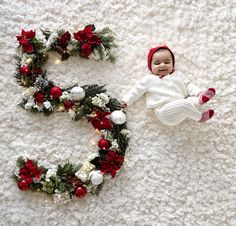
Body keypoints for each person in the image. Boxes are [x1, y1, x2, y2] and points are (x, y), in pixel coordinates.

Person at [121, 45, 216, 126]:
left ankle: (200, 99)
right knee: (185, 104)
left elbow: (189, 85)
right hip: (164, 112)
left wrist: (198, 92)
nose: (162, 65)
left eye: (167, 62)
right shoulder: (149, 79)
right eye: (157, 63)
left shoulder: (178, 75)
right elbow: (136, 91)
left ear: (172, 64)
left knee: (189, 101)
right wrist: (126, 101)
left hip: (180, 109)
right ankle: (200, 117)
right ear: (151, 66)